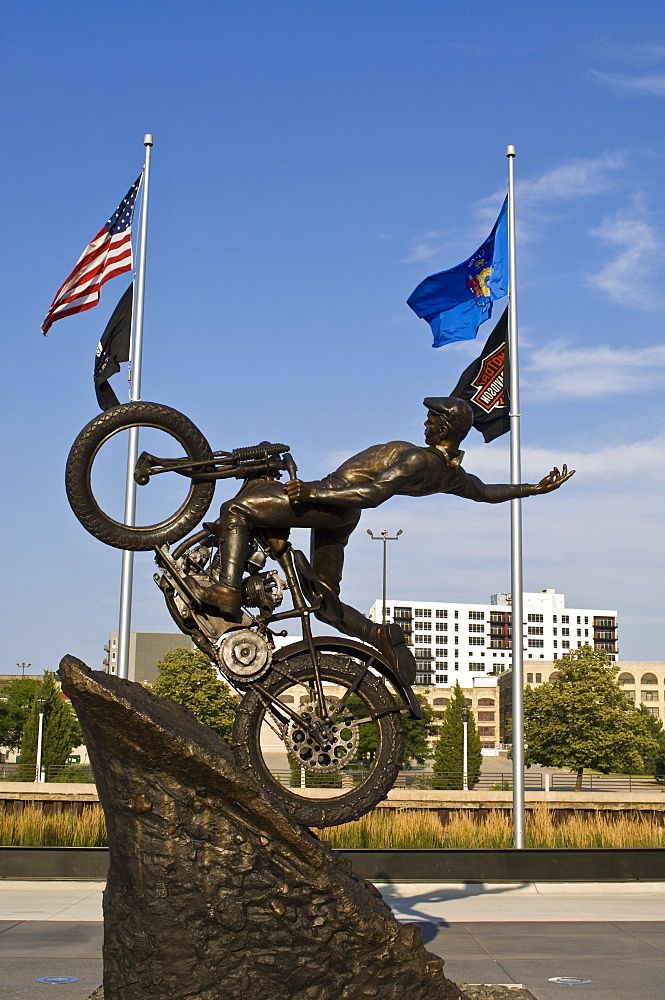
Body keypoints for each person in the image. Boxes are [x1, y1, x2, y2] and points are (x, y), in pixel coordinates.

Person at [188, 397, 574, 686]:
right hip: (341, 515)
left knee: (237, 509)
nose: (425, 422)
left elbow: (372, 494)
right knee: (324, 602)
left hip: (334, 500)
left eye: (432, 418)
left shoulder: (416, 461)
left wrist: (310, 494)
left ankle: (226, 590)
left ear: (443, 429)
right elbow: (485, 491)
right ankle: (377, 635)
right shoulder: (448, 472)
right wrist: (533, 489)